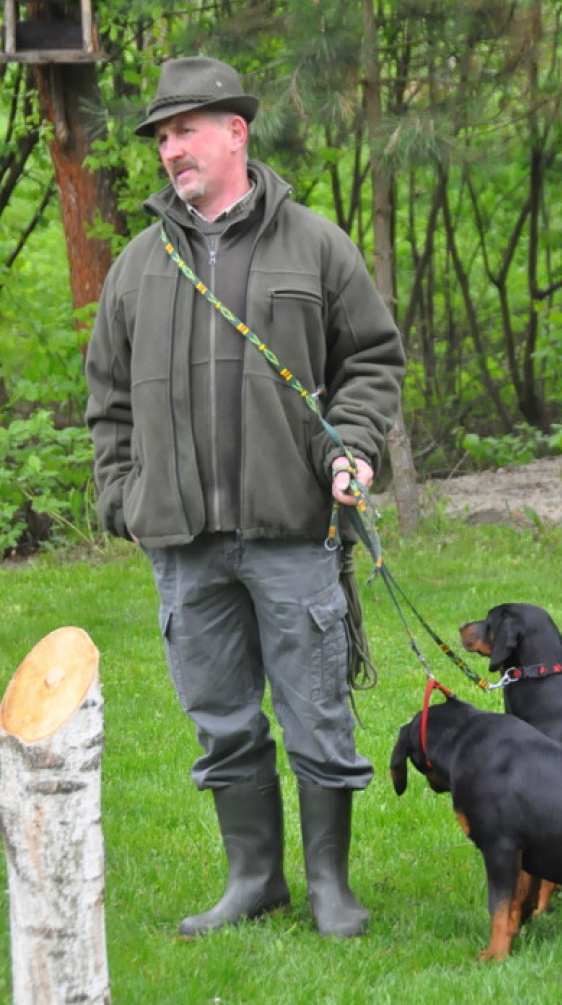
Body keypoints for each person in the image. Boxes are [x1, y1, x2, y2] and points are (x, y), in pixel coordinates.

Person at [85, 56, 405, 939]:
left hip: (291, 528)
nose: (169, 148)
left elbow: (373, 363)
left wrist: (355, 449)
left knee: (318, 715)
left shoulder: (316, 244)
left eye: (185, 129)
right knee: (222, 721)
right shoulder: (137, 267)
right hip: (182, 539)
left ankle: (330, 887)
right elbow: (107, 400)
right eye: (160, 135)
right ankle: (253, 881)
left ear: (236, 131)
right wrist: (122, 496)